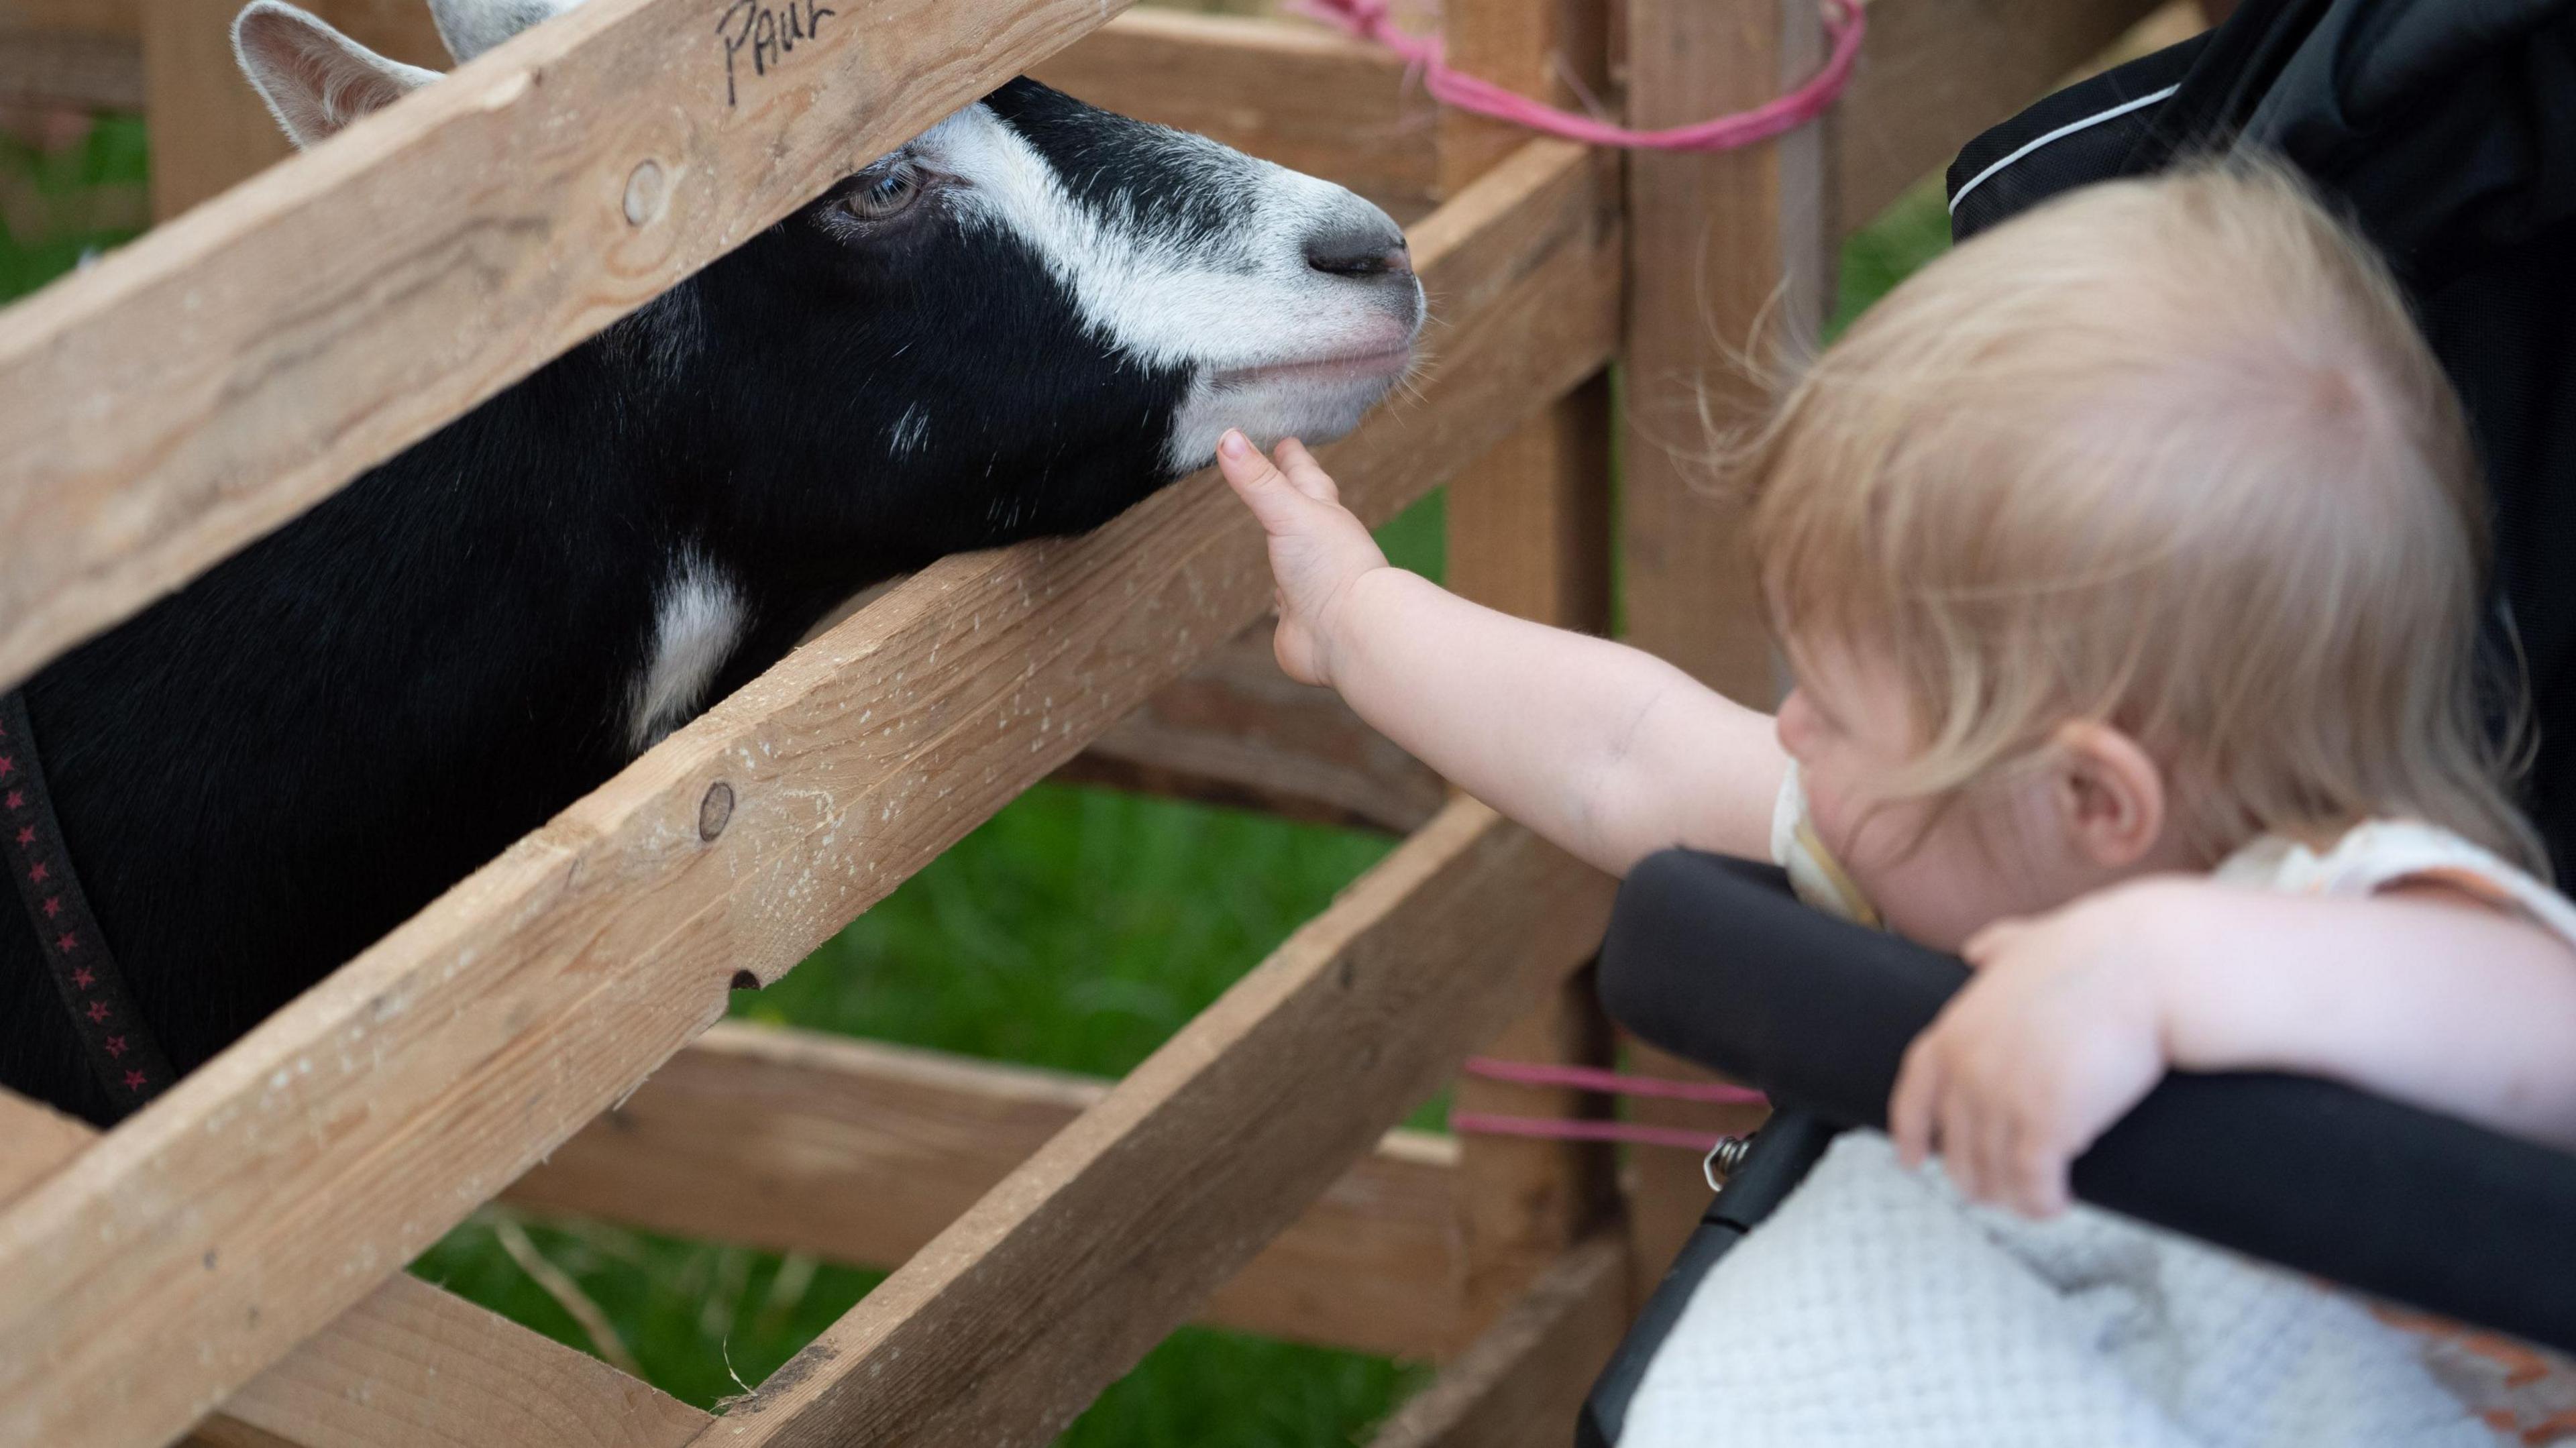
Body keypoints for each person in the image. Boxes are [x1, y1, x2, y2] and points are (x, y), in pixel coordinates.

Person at [1216, 160, 2576, 1441]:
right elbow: (1619, 750)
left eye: (1838, 707)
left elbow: (2541, 1026)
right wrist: (1356, 615)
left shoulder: (2372, 911)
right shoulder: (1961, 837)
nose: (1792, 728)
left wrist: (2154, 968)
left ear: (2094, 800)